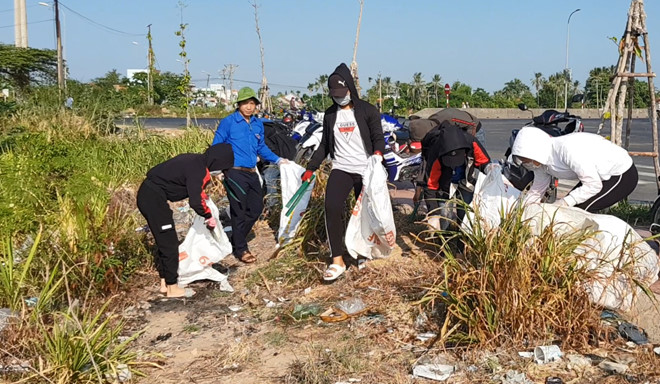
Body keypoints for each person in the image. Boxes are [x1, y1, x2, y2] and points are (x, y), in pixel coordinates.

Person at [302, 63, 386, 282]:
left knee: (366, 212)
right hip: (342, 168)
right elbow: (324, 145)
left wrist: (378, 154)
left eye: (343, 93)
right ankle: (337, 259)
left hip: (365, 169)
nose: (340, 98)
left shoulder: (367, 110)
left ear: (351, 88)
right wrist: (311, 167)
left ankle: (362, 252)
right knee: (331, 207)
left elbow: (378, 136)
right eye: (335, 95)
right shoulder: (330, 115)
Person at [137, 143, 234, 298]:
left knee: (165, 241)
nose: (222, 172)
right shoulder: (200, 171)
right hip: (153, 199)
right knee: (169, 243)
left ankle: (165, 283)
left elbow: (193, 189)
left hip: (150, 194)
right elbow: (195, 202)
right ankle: (172, 288)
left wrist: (203, 200)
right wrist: (208, 215)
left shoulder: (196, 160)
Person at [212, 87, 289, 263]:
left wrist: (278, 160)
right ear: (238, 104)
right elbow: (217, 146)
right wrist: (217, 170)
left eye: (252, 103)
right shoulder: (229, 122)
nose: (249, 106)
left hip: (252, 172)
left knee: (255, 209)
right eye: (245, 103)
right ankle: (241, 249)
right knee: (239, 211)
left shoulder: (257, 124)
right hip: (234, 172)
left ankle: (235, 239)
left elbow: (261, 147)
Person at [511, 127, 638, 212]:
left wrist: (564, 202)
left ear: (535, 152)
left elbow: (593, 185)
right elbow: (537, 189)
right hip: (595, 177)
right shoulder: (539, 163)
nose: (526, 164)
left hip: (620, 174)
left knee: (578, 211)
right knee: (571, 209)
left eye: (526, 159)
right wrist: (523, 210)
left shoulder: (567, 150)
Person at [422, 122, 492, 224]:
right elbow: (430, 185)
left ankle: (462, 235)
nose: (453, 164)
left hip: (465, 180)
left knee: (465, 215)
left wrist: (491, 169)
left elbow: (484, 162)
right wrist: (433, 214)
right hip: (444, 184)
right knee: (444, 217)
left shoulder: (471, 142)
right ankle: (444, 238)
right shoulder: (436, 150)